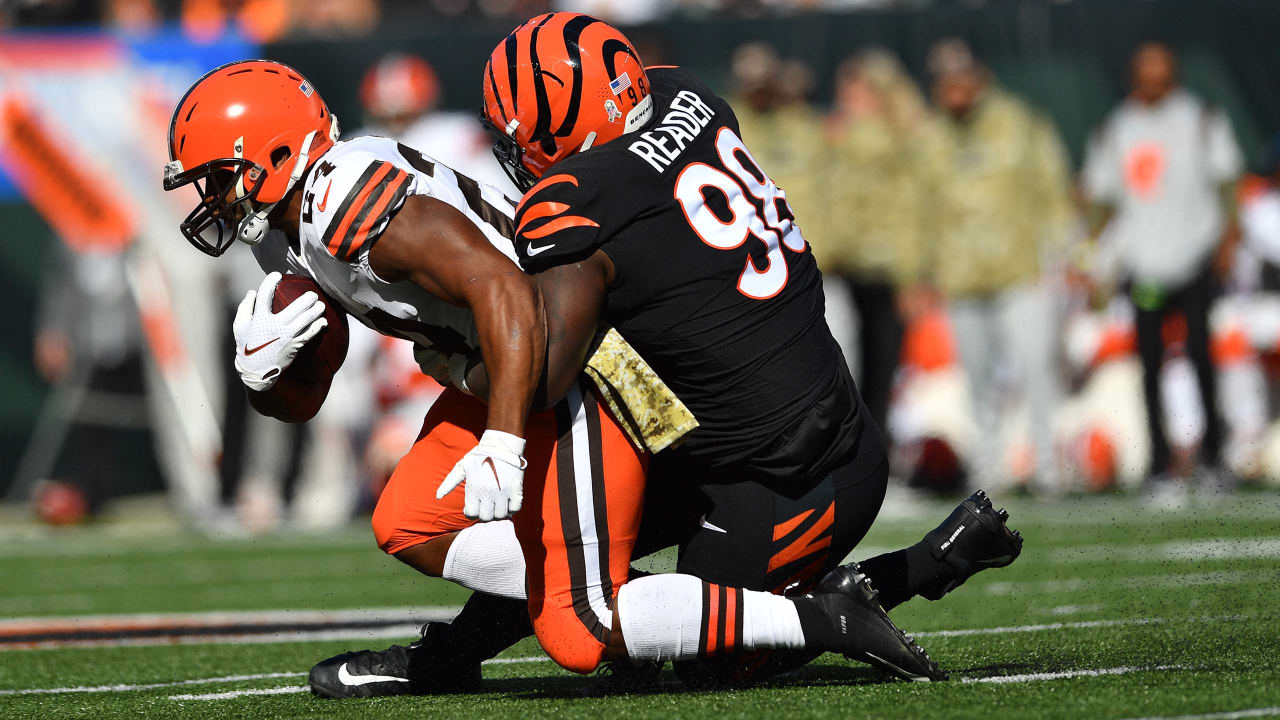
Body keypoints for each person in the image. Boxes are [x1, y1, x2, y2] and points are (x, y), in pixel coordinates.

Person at [162, 51, 1018, 698]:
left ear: (265, 153)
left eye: (215, 176)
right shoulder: (299, 220)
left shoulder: (344, 199)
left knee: (583, 631)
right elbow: (301, 397)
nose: (209, 199)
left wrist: (502, 439)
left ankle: (825, 614)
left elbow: (502, 289)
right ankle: (482, 644)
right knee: (408, 517)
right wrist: (263, 374)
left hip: (565, 378)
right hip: (502, 374)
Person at [913, 38, 1074, 493]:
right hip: (961, 276)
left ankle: (1048, 468)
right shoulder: (929, 137)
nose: (954, 89)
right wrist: (920, 272)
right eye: (945, 81)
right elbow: (920, 210)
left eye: (962, 78)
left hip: (1020, 268)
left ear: (979, 78)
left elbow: (1053, 190)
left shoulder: (1019, 122)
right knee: (978, 380)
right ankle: (990, 472)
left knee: (1037, 369)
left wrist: (1063, 256)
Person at [1081, 42, 1243, 484]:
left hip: (1194, 256)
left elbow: (1227, 182)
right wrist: (1093, 260)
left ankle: (1213, 455)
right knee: (1149, 363)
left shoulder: (1200, 118)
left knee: (1201, 357)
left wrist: (1228, 239)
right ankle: (1158, 461)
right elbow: (1101, 199)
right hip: (1146, 264)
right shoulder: (1117, 127)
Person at [811, 49, 927, 434]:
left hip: (884, 266)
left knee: (880, 366)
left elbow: (908, 207)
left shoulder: (891, 135)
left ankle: (879, 448)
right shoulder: (834, 133)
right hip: (843, 264)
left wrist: (911, 273)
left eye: (857, 89)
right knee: (853, 364)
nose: (848, 97)